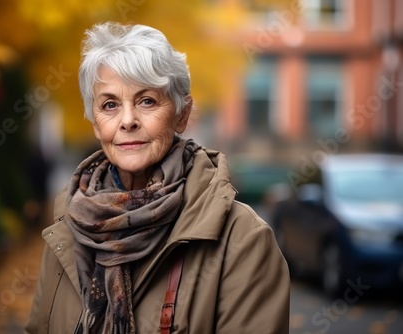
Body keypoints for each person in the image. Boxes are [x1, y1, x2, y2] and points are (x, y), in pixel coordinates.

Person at [25, 22, 290, 334]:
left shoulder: (243, 239)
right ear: (96, 124)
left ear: (181, 113)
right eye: (110, 104)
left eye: (146, 101)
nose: (127, 121)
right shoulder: (68, 229)